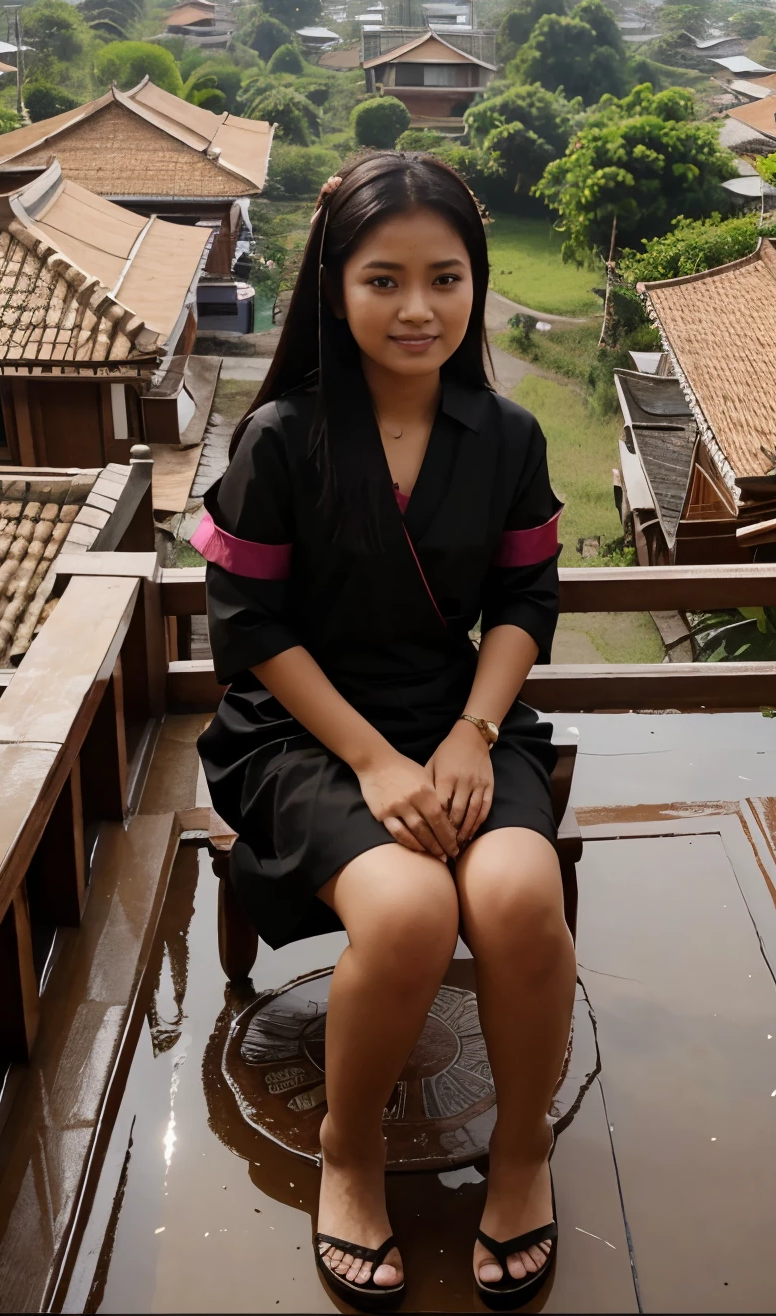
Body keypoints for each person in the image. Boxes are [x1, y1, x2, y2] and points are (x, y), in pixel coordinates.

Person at [193, 151, 575, 1311]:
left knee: (515, 892)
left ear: (476, 283)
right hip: (300, 731)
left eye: (447, 278)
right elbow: (250, 624)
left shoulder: (506, 438)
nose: (419, 309)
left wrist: (470, 732)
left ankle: (522, 1150)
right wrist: (369, 758)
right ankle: (349, 1157)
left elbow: (524, 604)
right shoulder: (284, 440)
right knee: (409, 906)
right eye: (385, 280)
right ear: (335, 286)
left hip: (457, 717)